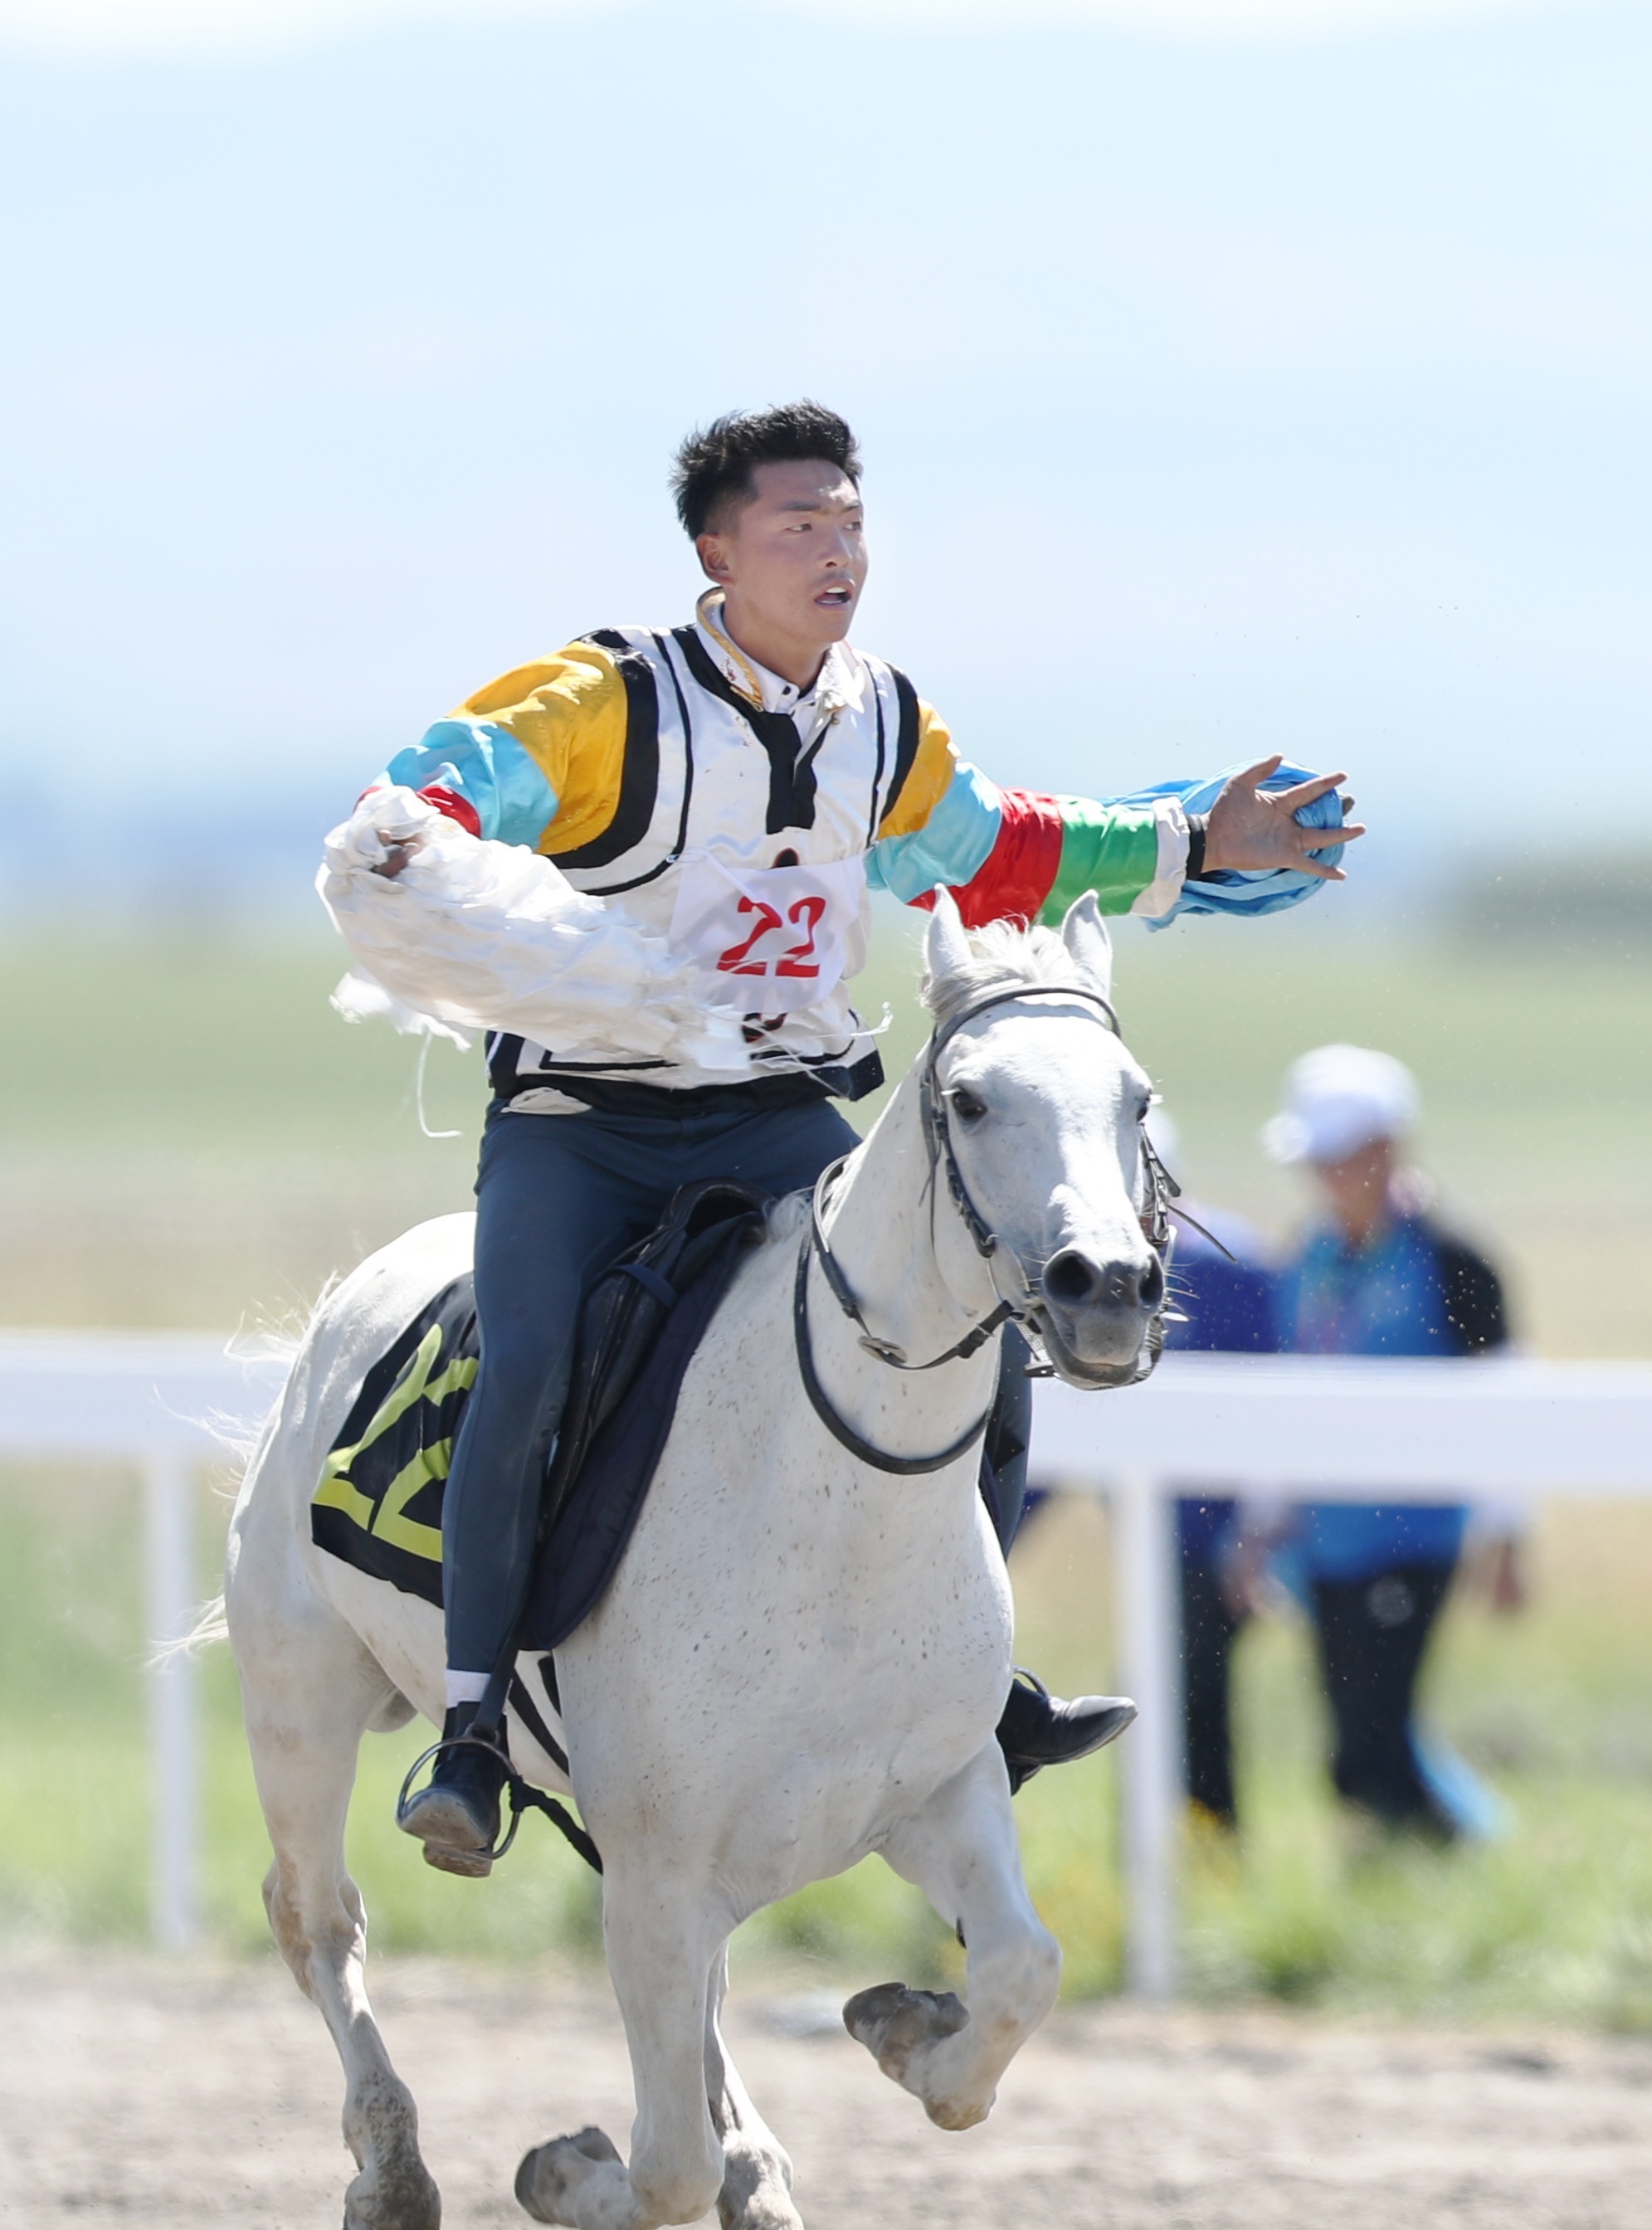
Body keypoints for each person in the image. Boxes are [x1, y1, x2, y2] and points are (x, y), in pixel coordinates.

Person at [327, 401, 1360, 1874]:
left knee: (981, 1322)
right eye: (797, 525)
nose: (836, 552)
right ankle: (478, 1723)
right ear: (715, 552)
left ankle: (973, 1691)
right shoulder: (604, 700)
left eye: (850, 522)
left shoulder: (878, 716)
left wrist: (1198, 844)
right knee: (535, 1355)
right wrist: (416, 820)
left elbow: (996, 853)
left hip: (775, 1117)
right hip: (586, 1122)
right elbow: (456, 777)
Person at [1233, 1044, 1522, 1840]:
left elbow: (1509, 1410)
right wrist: (1262, 1522)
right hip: (1325, 1540)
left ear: (1386, 1149)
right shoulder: (1309, 1256)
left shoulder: (1457, 1262)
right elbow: (1288, 1395)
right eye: (1316, 1162)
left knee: (1375, 1728)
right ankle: (1421, 1856)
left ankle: (1447, 1852)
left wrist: (1506, 1541)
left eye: (1339, 1159)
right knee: (1352, 1730)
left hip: (1417, 1536)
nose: (1324, 1179)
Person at [1155, 1122, 1280, 1831]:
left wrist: (1256, 1536)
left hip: (1230, 1540)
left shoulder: (1232, 1265)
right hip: (1155, 1540)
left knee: (1195, 1692)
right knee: (1163, 1689)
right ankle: (1177, 1854)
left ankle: (1208, 1851)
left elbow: (1275, 1401)